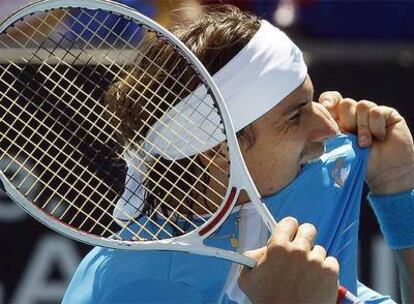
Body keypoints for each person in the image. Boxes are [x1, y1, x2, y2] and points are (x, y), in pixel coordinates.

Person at [63, 5, 414, 303]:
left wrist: (399, 189)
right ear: (219, 152)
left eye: (312, 99)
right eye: (295, 115)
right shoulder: (125, 289)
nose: (329, 128)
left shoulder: (300, 207)